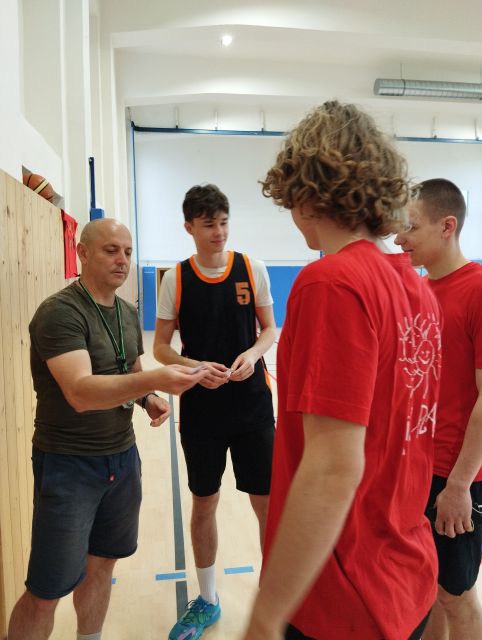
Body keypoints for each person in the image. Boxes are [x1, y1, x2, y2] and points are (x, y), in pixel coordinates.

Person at [241, 101, 443, 640]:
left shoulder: (331, 284)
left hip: (345, 594)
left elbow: (333, 468)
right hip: (406, 576)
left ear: (304, 193)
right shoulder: (417, 289)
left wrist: (266, 613)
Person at [7, 218, 208, 640]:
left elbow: (129, 367)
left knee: (101, 565)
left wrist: (147, 397)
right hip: (68, 467)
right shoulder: (60, 313)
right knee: (46, 590)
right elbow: (80, 392)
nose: (122, 260)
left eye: (128, 253)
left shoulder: (127, 313)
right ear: (82, 252)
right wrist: (155, 379)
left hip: (122, 460)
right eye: (111, 250)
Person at [153, 183, 276, 639]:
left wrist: (254, 354)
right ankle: (206, 599)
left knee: (266, 504)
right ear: (189, 227)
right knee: (204, 502)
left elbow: (269, 329)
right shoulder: (176, 278)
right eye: (209, 225)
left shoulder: (252, 268)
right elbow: (161, 348)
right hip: (202, 409)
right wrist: (194, 366)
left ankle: (274, 598)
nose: (219, 232)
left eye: (224, 223)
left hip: (252, 406)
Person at [394, 179, 482, 640]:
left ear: (447, 226)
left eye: (410, 227)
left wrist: (460, 484)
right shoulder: (420, 290)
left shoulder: (478, 290)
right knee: (429, 588)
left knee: (456, 594)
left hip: (457, 477)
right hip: (419, 468)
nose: (399, 238)